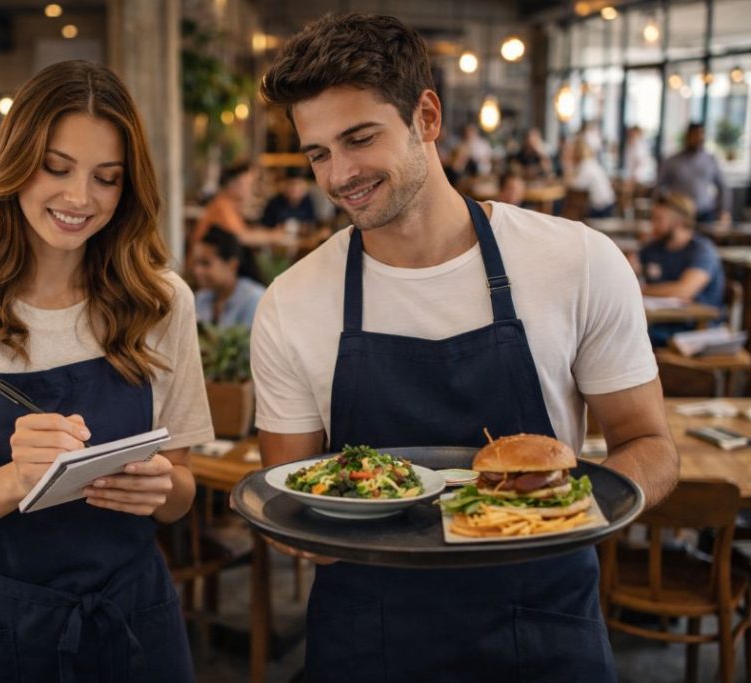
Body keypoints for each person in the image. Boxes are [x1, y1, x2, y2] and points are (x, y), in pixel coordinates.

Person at [255, 13, 677, 682]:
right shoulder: (291, 301)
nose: (340, 175)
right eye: (318, 153)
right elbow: (290, 498)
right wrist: (306, 528)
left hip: (543, 629)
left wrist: (552, 512)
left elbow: (651, 445)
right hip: (369, 638)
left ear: (426, 116)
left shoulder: (578, 262)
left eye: (359, 138)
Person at [0, 60, 214, 682]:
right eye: (56, 168)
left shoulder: (162, 301)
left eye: (106, 178)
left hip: (132, 621)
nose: (80, 198)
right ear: (14, 162)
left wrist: (163, 489)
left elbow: (181, 490)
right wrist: (17, 480)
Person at [640, 192, 725, 346]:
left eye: (658, 219)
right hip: (663, 323)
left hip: (696, 329)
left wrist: (642, 290)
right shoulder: (653, 248)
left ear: (678, 223)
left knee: (638, 338)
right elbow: (629, 277)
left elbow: (684, 291)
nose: (652, 224)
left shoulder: (702, 251)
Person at [191, 161, 289, 249]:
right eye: (249, 184)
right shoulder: (222, 206)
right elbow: (242, 237)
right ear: (233, 184)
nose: (251, 189)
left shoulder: (229, 204)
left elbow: (243, 232)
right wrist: (274, 236)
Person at [192, 225, 266, 328]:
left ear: (232, 264)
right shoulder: (202, 298)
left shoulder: (254, 299)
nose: (197, 271)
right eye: (196, 263)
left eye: (206, 263)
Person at [659, 122, 731, 224]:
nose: (698, 138)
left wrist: (724, 210)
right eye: (695, 135)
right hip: (679, 213)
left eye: (701, 135)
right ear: (687, 137)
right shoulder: (672, 161)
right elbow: (660, 187)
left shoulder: (710, 160)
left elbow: (722, 186)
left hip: (705, 212)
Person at [567, 136, 616, 218]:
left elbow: (576, 185)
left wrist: (567, 165)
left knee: (576, 215)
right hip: (608, 204)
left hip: (602, 209)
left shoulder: (585, 166)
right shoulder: (591, 163)